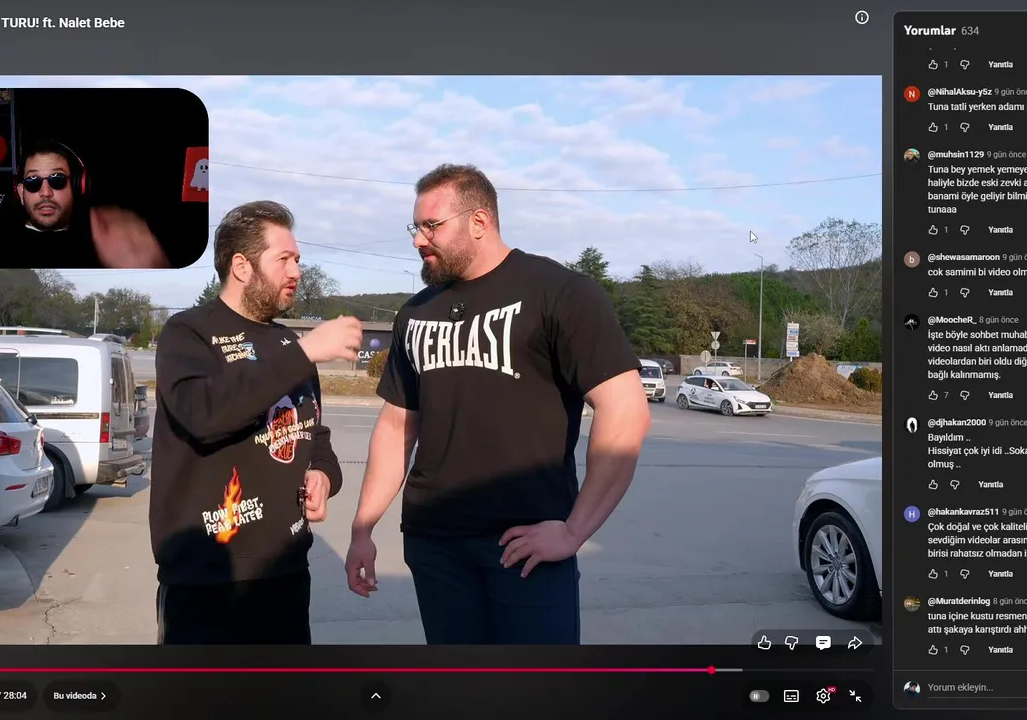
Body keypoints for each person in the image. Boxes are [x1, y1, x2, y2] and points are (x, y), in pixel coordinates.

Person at [343, 164, 652, 645]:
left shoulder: (560, 293)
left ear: (479, 222)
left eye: (431, 226)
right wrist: (363, 527)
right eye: (415, 227)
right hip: (434, 543)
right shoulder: (416, 312)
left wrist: (573, 532)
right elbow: (397, 424)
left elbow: (626, 412)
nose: (419, 240)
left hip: (526, 547)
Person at [150, 199, 363, 644]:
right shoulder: (190, 333)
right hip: (207, 577)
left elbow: (314, 434)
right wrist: (304, 352)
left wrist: (323, 474)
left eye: (298, 259)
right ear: (242, 266)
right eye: (284, 259)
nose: (296, 271)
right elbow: (204, 414)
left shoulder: (287, 344)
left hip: (286, 571)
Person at [0, 138, 169, 269]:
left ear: (77, 186)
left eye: (57, 180)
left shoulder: (108, 241)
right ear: (21, 192)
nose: (45, 192)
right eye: (33, 182)